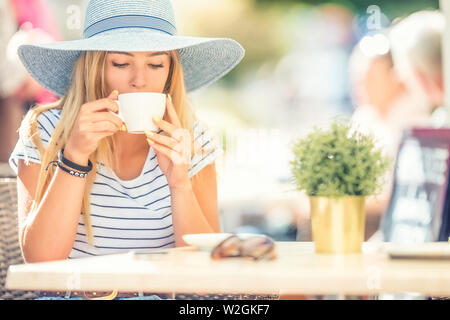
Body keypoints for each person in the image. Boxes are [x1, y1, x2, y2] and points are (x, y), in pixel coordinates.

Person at [9, 0, 244, 300]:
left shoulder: (192, 139)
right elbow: (42, 264)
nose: (140, 80)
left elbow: (204, 278)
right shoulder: (46, 130)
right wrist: (75, 157)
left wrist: (180, 184)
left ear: (171, 70)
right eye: (121, 63)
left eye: (156, 64)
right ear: (94, 66)